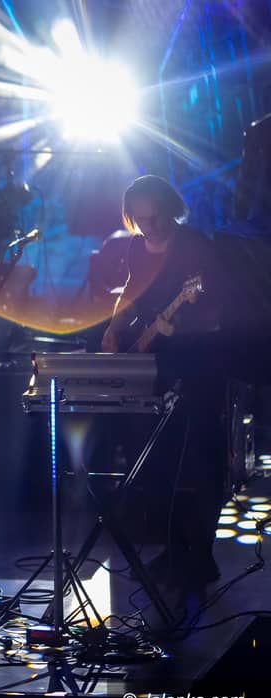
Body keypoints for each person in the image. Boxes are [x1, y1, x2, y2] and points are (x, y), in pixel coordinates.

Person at [101, 175, 227, 587]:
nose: (149, 227)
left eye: (155, 218)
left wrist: (182, 327)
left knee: (201, 458)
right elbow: (131, 291)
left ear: (170, 209)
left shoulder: (196, 246)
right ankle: (173, 548)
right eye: (141, 220)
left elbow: (218, 309)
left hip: (199, 363)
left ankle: (202, 555)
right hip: (155, 362)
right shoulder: (137, 247)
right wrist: (113, 327)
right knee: (159, 458)